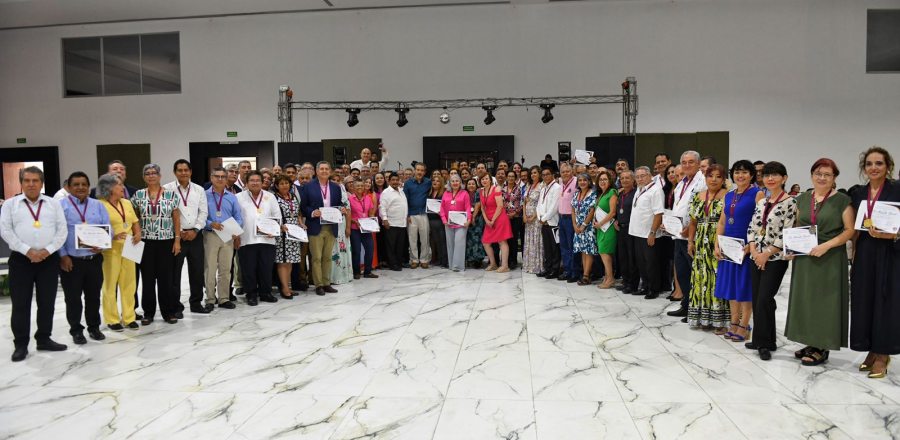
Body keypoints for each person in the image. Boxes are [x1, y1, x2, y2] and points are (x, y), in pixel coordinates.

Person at [785, 158, 854, 366]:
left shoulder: (842, 200)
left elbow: (849, 230)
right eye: (818, 173)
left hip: (830, 256)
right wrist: (791, 247)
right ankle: (810, 341)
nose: (822, 178)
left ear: (834, 178)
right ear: (811, 175)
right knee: (806, 299)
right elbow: (797, 224)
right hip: (805, 257)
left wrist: (826, 246)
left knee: (826, 301)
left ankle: (822, 346)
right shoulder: (803, 198)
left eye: (827, 175)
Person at [1, 167, 68, 361]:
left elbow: (62, 230)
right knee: (21, 304)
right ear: (21, 183)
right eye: (27, 180)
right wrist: (27, 251)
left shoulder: (52, 204)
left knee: (46, 303)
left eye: (35, 180)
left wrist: (47, 251)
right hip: (21, 260)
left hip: (48, 260)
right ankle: (21, 344)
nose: (31, 184)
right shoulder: (10, 205)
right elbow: (6, 231)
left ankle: (44, 339)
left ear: (42, 183)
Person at [850, 147, 899, 379]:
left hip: (891, 251)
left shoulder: (897, 189)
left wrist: (894, 235)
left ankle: (883, 353)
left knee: (886, 301)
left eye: (879, 163)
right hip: (866, 251)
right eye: (869, 164)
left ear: (888, 166)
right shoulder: (858, 193)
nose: (874, 168)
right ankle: (870, 348)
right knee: (865, 300)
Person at [746, 161, 797, 361]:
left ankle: (765, 344)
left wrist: (766, 253)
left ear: (784, 178)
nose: (770, 178)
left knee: (765, 299)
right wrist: (753, 249)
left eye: (775, 175)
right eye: (767, 175)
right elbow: (752, 226)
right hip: (755, 255)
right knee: (757, 298)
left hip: (775, 258)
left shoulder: (790, 202)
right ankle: (762, 338)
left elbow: (788, 232)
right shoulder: (762, 202)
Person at [59, 171, 110, 345]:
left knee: (93, 296)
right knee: (73, 298)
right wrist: (63, 255)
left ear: (89, 187)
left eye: (84, 184)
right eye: (76, 184)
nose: (80, 187)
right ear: (69, 187)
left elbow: (107, 229)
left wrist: (103, 244)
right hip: (71, 261)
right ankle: (76, 330)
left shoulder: (98, 205)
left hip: (94, 259)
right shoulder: (61, 206)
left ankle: (94, 328)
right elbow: (57, 234)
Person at [713, 160, 759, 343]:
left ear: (752, 175)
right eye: (737, 172)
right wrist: (717, 244)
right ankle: (733, 322)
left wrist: (751, 245)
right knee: (732, 287)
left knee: (744, 288)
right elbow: (722, 222)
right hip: (728, 246)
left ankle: (745, 325)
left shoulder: (758, 194)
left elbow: (761, 223)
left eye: (745, 172)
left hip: (746, 248)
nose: (740, 176)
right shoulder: (729, 195)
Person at [132, 164, 181, 325]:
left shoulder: (171, 195)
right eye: (147, 173)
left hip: (166, 242)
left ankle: (168, 312)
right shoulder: (138, 195)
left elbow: (176, 218)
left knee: (166, 279)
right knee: (147, 279)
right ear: (144, 177)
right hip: (146, 242)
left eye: (154, 173)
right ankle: (148, 313)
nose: (151, 175)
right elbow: (134, 219)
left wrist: (177, 239)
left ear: (160, 176)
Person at [686, 164, 730, 330]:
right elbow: (692, 222)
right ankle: (703, 318)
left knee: (718, 278)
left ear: (724, 179)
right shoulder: (698, 196)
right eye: (711, 176)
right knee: (701, 278)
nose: (714, 179)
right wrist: (690, 241)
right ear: (705, 178)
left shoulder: (729, 196)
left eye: (718, 176)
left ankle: (721, 320)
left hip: (718, 242)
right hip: (700, 243)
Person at [164, 159, 210, 315]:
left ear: (190, 172)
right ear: (175, 172)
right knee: (174, 273)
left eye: (186, 170)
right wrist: (180, 232)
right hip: (177, 237)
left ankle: (196, 303)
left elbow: (203, 212)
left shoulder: (199, 190)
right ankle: (176, 306)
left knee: (197, 272)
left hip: (195, 235)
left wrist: (195, 230)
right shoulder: (167, 189)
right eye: (179, 170)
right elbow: (166, 214)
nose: (183, 173)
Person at [97, 174, 141, 331]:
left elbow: (135, 221)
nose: (123, 187)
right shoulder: (99, 205)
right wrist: (112, 236)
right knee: (110, 284)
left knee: (130, 284)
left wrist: (138, 234)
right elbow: (96, 228)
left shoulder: (127, 203)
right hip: (111, 250)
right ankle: (112, 319)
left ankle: (129, 317)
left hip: (130, 246)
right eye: (119, 185)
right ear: (108, 188)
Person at [667, 150, 707, 319]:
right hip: (678, 235)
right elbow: (679, 207)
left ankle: (696, 308)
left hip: (693, 236)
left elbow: (703, 209)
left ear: (698, 164)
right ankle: (686, 304)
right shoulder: (682, 182)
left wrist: (690, 228)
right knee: (682, 272)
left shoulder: (703, 182)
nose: (687, 165)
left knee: (694, 273)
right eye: (684, 162)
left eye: (691, 162)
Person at [299, 162, 344, 295]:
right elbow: (303, 206)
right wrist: (312, 212)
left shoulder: (336, 187)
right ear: (317, 171)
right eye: (321, 169)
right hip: (315, 226)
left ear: (330, 171)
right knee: (316, 258)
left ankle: (326, 283)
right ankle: (318, 285)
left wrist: (341, 208)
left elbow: (339, 204)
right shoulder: (308, 186)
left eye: (326, 169)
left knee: (327, 257)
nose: (324, 171)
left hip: (331, 225)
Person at [236, 171, 280, 304]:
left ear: (262, 182)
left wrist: (275, 229)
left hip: (267, 238)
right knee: (248, 268)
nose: (255, 183)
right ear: (247, 183)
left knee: (266, 268)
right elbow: (235, 217)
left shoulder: (270, 197)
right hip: (246, 239)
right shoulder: (238, 197)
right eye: (252, 180)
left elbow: (277, 215)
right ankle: (251, 294)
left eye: (258, 180)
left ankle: (265, 293)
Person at [203, 167, 242, 310]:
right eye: (217, 176)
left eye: (222, 177)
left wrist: (236, 231)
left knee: (226, 269)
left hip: (228, 236)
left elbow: (238, 217)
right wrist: (209, 223)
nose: (220, 179)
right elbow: (199, 216)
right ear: (211, 178)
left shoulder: (232, 197)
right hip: (210, 235)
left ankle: (224, 298)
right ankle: (210, 299)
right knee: (210, 268)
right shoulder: (204, 195)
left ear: (226, 179)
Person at [630, 167, 664, 299]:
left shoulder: (655, 190)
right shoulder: (639, 189)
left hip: (648, 233)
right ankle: (645, 286)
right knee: (641, 263)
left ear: (650, 176)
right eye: (637, 177)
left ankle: (654, 289)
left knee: (651, 263)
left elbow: (658, 213)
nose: (639, 179)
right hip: (637, 233)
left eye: (642, 176)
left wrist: (652, 232)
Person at [273, 174, 303, 298]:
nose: (284, 185)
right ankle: (284, 288)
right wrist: (279, 226)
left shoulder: (294, 196)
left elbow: (298, 213)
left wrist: (301, 223)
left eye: (286, 183)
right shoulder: (274, 198)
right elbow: (272, 215)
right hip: (282, 233)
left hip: (294, 232)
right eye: (281, 183)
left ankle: (288, 286)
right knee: (282, 261)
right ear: (276, 186)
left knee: (290, 262)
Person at [479, 174, 513, 272]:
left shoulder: (496, 189)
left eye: (486, 178)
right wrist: (487, 220)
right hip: (489, 219)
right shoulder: (481, 191)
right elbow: (482, 207)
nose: (484, 180)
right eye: (482, 179)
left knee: (502, 241)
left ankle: (505, 266)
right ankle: (493, 263)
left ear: (490, 180)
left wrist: (492, 220)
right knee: (486, 242)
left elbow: (500, 206)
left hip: (499, 218)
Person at [440, 174, 472, 272]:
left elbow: (468, 207)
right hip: (448, 223)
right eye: (453, 181)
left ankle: (458, 266)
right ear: (449, 183)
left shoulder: (465, 193)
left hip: (461, 223)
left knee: (459, 243)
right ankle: (451, 265)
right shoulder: (446, 193)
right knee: (450, 244)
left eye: (457, 181)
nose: (455, 183)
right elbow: (441, 208)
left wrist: (469, 219)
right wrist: (444, 220)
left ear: (460, 182)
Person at [571, 173, 598, 285]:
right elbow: (572, 210)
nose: (582, 182)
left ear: (589, 182)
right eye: (580, 180)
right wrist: (575, 225)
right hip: (577, 227)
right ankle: (585, 273)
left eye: (584, 180)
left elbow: (592, 210)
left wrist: (584, 225)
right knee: (583, 251)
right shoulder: (576, 193)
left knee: (588, 251)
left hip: (588, 227)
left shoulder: (593, 194)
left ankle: (586, 276)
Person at [593, 169, 618, 288]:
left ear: (610, 181)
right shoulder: (601, 194)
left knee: (605, 253)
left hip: (608, 227)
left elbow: (613, 212)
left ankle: (611, 279)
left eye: (605, 179)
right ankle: (607, 277)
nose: (602, 181)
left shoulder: (612, 192)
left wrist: (601, 223)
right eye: (601, 179)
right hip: (600, 228)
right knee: (602, 252)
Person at [404, 163, 431, 268]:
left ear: (424, 172)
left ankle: (424, 259)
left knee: (425, 238)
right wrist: (407, 214)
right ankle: (414, 259)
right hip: (412, 215)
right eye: (418, 170)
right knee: (412, 238)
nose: (419, 172)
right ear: (414, 171)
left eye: (422, 170)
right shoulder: (408, 183)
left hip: (424, 214)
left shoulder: (428, 182)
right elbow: (405, 200)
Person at [379, 172, 409, 271]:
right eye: (393, 180)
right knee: (391, 245)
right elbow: (382, 207)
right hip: (391, 223)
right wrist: (385, 220)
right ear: (389, 181)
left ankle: (399, 262)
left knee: (400, 245)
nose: (395, 182)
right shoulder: (386, 192)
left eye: (397, 180)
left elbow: (403, 204)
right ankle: (392, 264)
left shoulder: (401, 190)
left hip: (402, 223)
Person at [349, 179, 378, 279]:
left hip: (366, 228)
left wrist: (373, 221)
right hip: (354, 228)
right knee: (356, 251)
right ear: (353, 187)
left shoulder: (368, 198)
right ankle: (356, 272)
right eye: (357, 186)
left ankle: (368, 272)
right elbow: (347, 215)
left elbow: (370, 213)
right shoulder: (350, 199)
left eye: (362, 185)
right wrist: (354, 221)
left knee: (370, 249)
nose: (360, 187)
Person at [615, 171, 638, 294]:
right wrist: (616, 220)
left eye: (627, 178)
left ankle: (633, 284)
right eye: (622, 178)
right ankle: (626, 281)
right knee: (622, 257)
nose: (624, 180)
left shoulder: (636, 193)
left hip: (631, 229)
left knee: (631, 257)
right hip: (621, 228)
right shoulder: (620, 193)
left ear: (633, 179)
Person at [536, 169, 562, 278]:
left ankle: (555, 269)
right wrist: (540, 217)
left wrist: (545, 218)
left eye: (548, 174)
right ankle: (548, 268)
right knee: (547, 247)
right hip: (543, 222)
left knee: (555, 247)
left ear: (552, 175)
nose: (545, 176)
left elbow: (554, 206)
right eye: (543, 175)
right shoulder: (543, 188)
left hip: (553, 222)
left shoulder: (557, 187)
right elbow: (539, 205)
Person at [556, 162, 578, 282]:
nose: (565, 173)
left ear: (572, 172)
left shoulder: (576, 182)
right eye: (563, 172)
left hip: (571, 219)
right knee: (564, 246)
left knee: (571, 246)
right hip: (562, 218)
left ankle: (574, 272)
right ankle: (567, 270)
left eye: (567, 171)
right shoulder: (560, 183)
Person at [329, 178, 353, 285]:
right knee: (332, 251)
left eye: (338, 180)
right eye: (333, 180)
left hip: (341, 226)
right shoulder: (326, 192)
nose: (336, 181)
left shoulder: (343, 192)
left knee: (342, 249)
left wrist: (348, 227)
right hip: (329, 225)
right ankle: (331, 277)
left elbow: (348, 211)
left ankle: (343, 275)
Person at [663, 164, 681, 301]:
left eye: (674, 172)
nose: (671, 174)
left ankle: (679, 289)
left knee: (678, 261)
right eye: (668, 172)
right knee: (672, 259)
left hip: (679, 228)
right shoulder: (667, 189)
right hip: (668, 228)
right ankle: (676, 288)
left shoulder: (682, 188)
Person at [522, 166, 544, 274]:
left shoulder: (542, 186)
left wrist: (534, 216)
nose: (533, 175)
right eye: (531, 173)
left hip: (536, 218)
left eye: (535, 173)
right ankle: (529, 265)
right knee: (529, 241)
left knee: (536, 241)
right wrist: (524, 216)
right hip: (527, 218)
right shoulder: (529, 186)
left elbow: (541, 203)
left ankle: (537, 266)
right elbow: (525, 202)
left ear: (539, 174)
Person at [502, 170, 524, 270]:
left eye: (512, 176)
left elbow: (521, 203)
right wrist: (506, 215)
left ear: (515, 178)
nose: (510, 178)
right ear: (506, 177)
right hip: (505, 218)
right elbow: (501, 203)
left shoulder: (519, 189)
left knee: (514, 239)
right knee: (507, 239)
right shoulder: (503, 188)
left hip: (516, 217)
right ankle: (506, 259)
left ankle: (513, 261)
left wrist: (514, 213)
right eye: (509, 176)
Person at [465, 177, 487, 268]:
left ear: (476, 185)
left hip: (477, 219)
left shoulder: (478, 192)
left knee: (477, 239)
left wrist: (473, 217)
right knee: (469, 239)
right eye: (469, 184)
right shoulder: (464, 193)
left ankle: (478, 259)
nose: (471, 185)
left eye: (473, 184)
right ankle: (470, 259)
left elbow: (478, 205)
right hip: (466, 219)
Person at [427, 175, 448, 268]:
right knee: (434, 241)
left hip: (440, 220)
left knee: (442, 241)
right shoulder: (429, 193)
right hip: (430, 220)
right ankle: (436, 259)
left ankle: (444, 261)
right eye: (433, 181)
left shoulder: (444, 193)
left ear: (441, 183)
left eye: (438, 181)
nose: (435, 182)